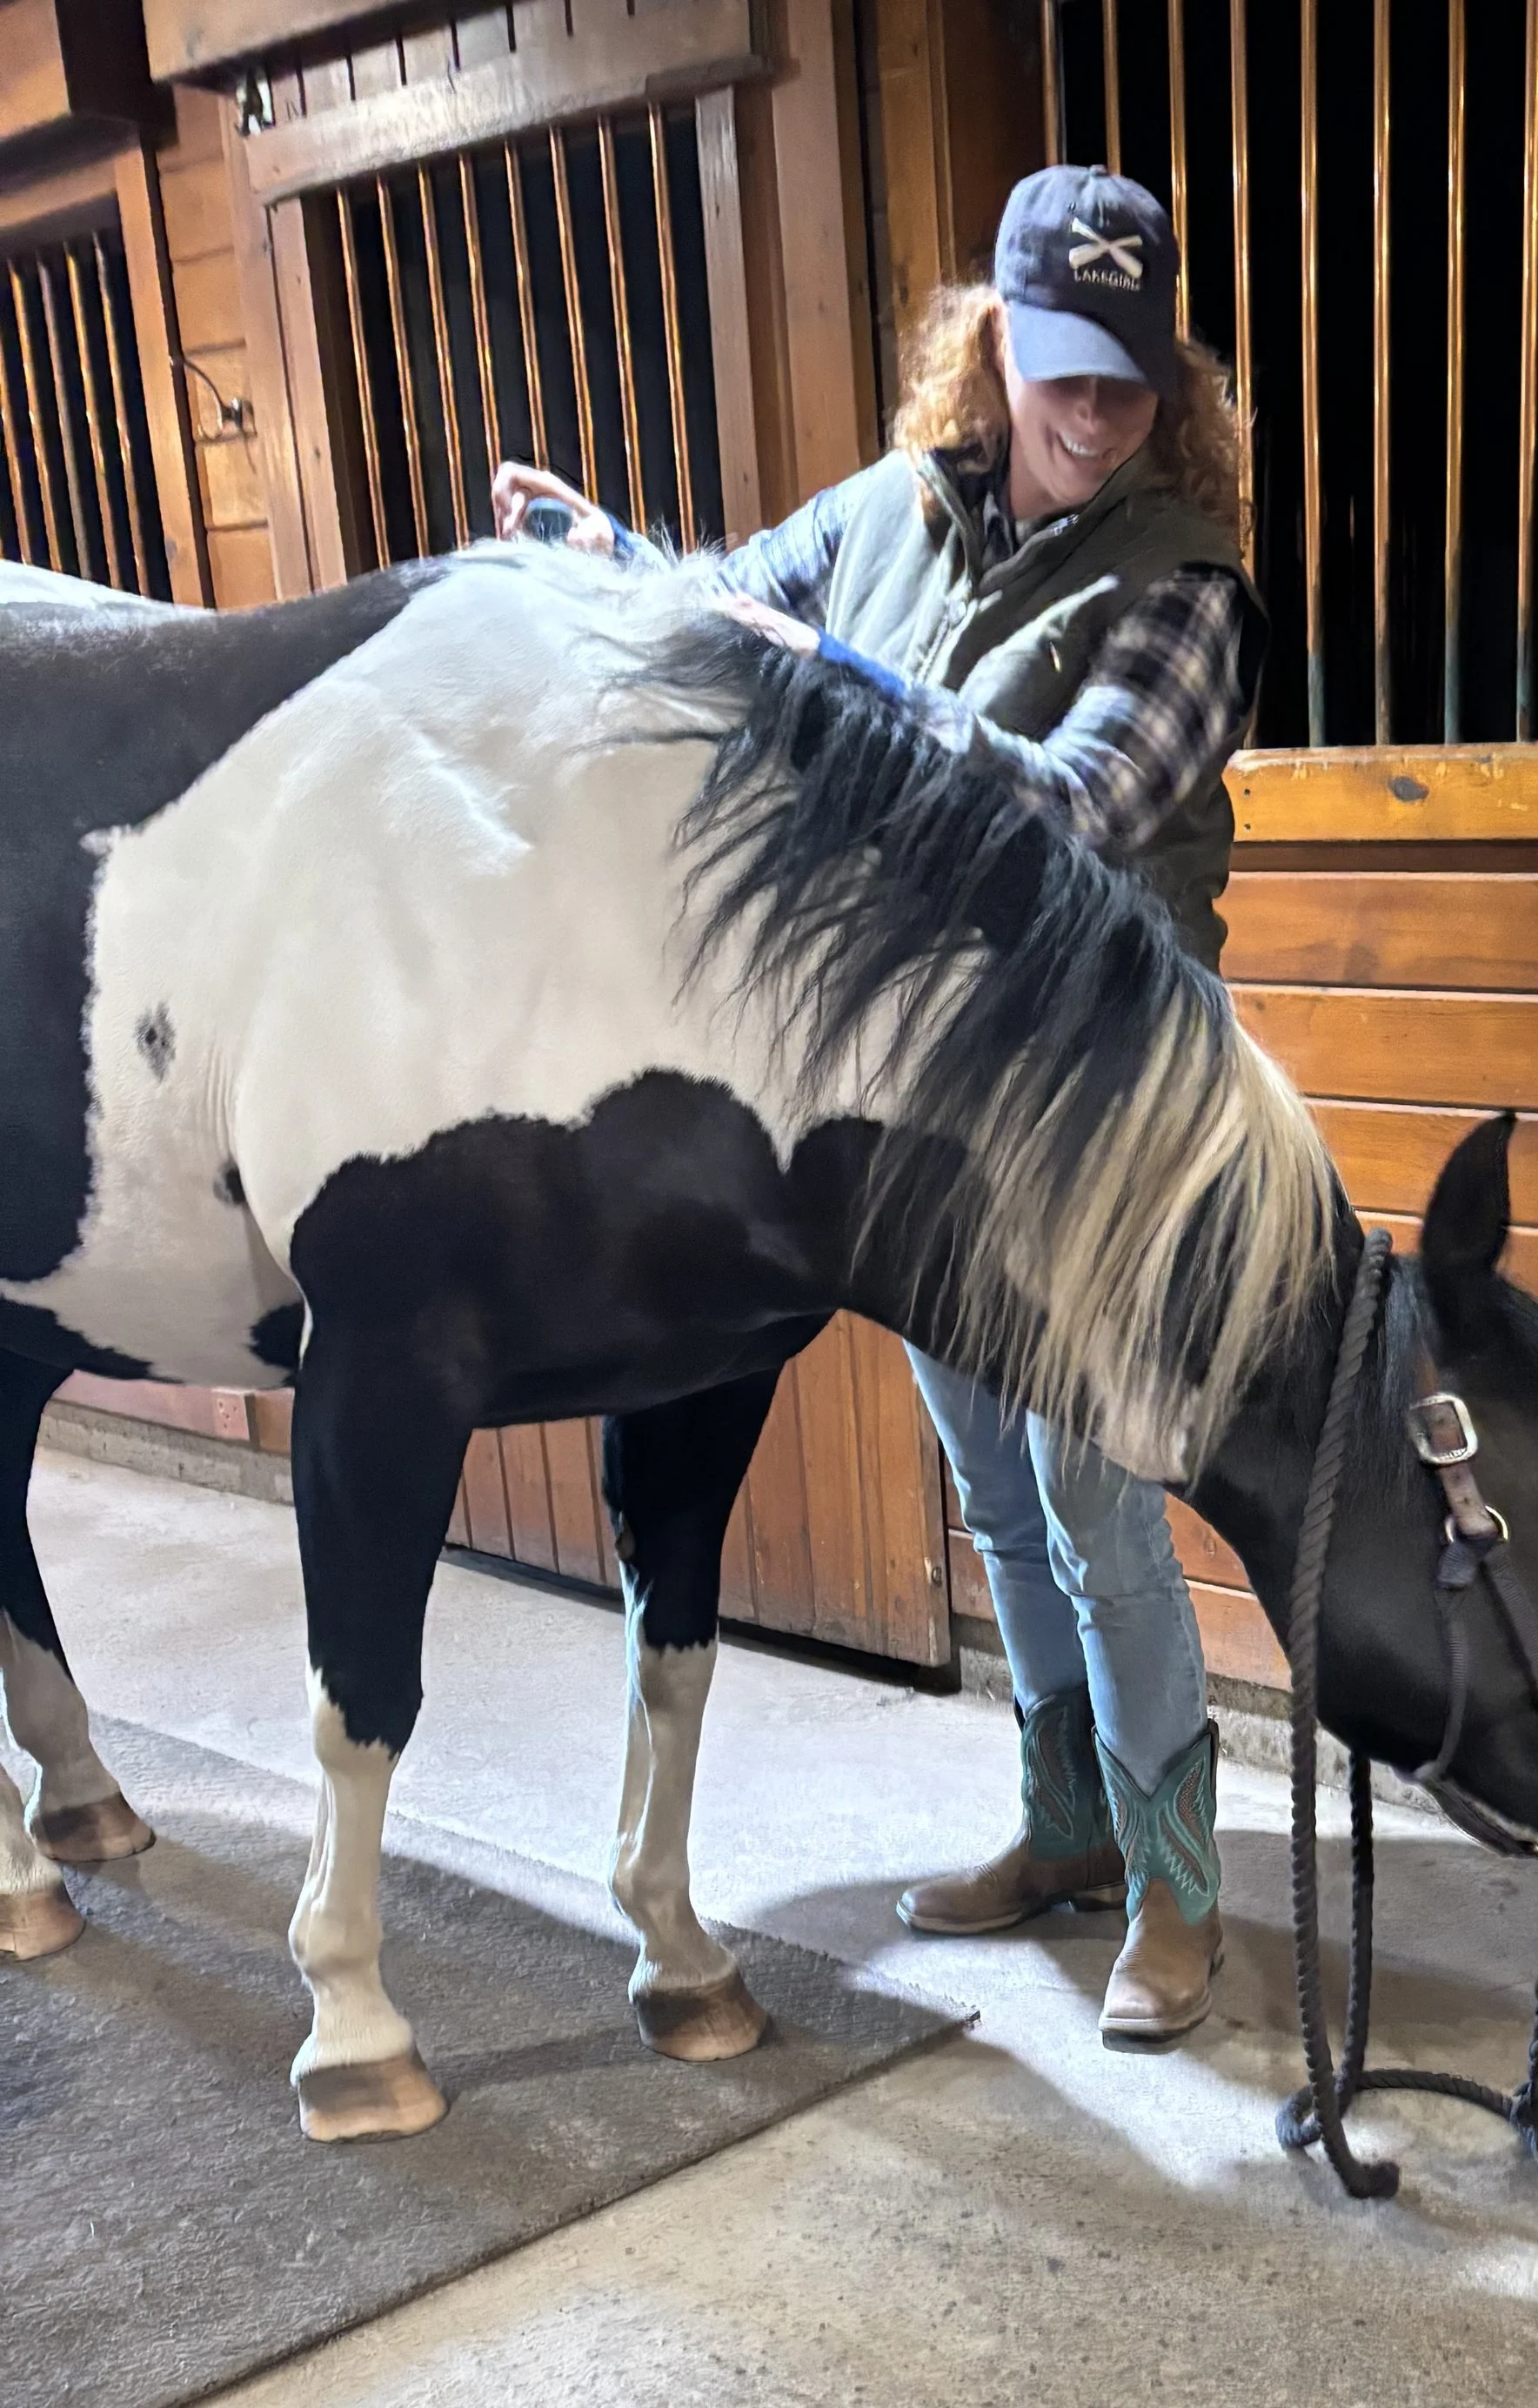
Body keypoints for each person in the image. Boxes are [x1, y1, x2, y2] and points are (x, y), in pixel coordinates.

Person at [492, 164, 1266, 2047]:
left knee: (1097, 1497)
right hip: (915, 1090)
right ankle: (1063, 1824)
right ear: (993, 344)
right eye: (1064, 370)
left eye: (1130, 382)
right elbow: (720, 611)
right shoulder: (889, 512)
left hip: (1090, 1106)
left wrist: (827, 679)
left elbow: (1069, 810)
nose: (1093, 416)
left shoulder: (1188, 591)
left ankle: (1182, 1890)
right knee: (995, 1492)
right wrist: (611, 555)